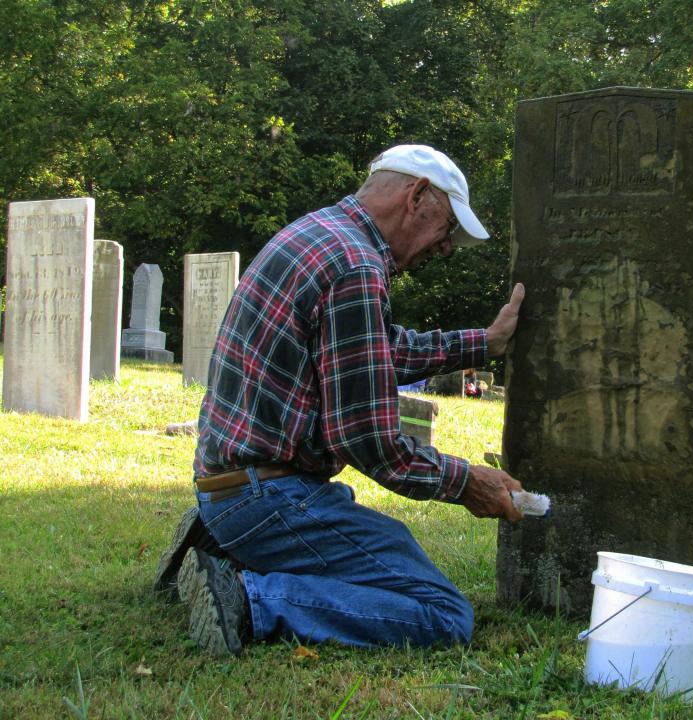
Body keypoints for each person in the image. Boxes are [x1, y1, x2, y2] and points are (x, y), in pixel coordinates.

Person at [153, 144, 526, 658]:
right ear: (417, 196)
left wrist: (482, 343)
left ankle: (222, 546)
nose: (445, 249)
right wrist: (466, 482)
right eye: (447, 229)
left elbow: (372, 351)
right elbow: (367, 441)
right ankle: (248, 595)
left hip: (226, 484)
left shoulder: (317, 234)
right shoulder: (356, 266)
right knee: (443, 614)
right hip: (268, 500)